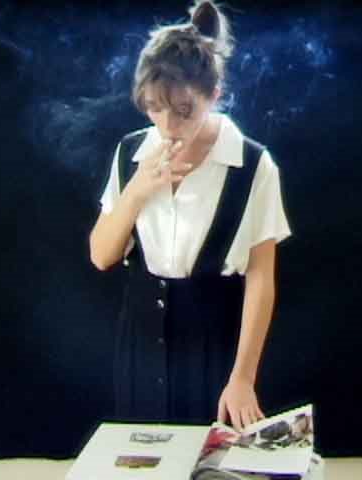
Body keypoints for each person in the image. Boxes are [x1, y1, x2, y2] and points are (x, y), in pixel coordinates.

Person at [89, 0, 291, 432]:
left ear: (214, 96)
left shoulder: (253, 165)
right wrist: (137, 190)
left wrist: (243, 378)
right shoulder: (131, 152)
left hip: (215, 347)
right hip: (141, 345)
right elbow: (102, 256)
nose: (167, 124)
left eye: (183, 111)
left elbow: (261, 279)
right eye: (154, 107)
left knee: (211, 460)